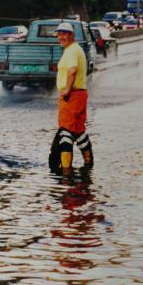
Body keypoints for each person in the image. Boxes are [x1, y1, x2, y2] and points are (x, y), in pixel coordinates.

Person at [51, 22, 94, 173]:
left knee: (66, 131)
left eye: (64, 34)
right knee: (78, 130)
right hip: (80, 94)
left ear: (71, 35)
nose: (60, 37)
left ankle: (66, 174)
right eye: (59, 34)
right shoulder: (74, 49)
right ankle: (88, 164)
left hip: (72, 95)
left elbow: (72, 71)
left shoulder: (72, 51)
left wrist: (67, 90)